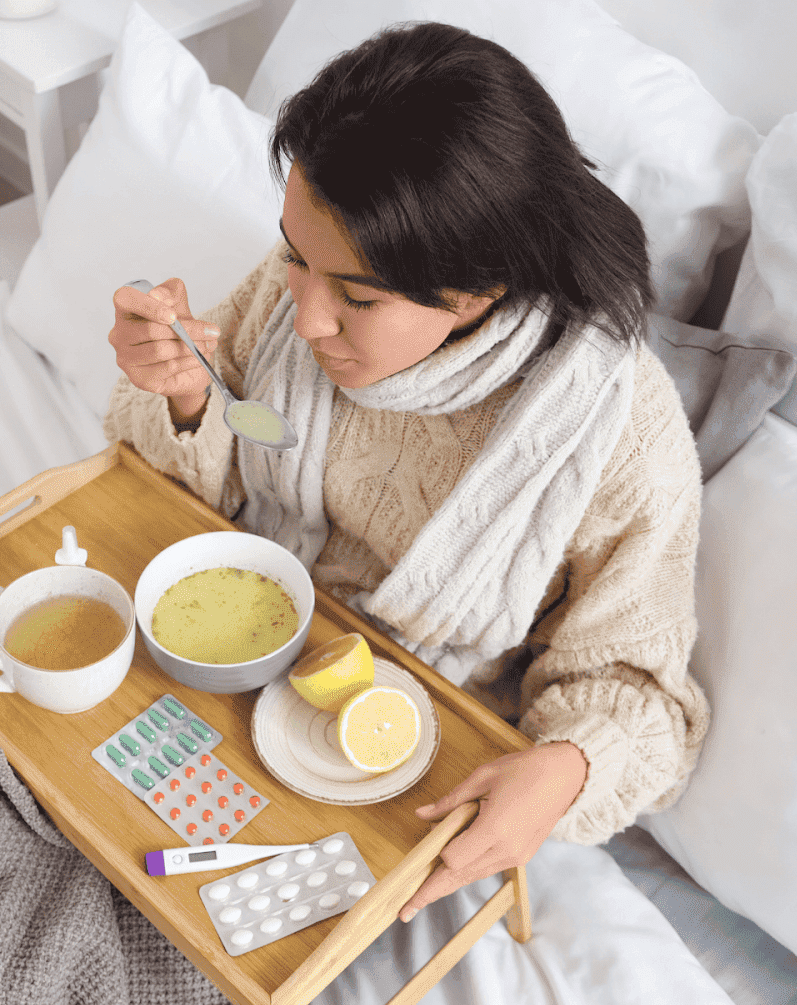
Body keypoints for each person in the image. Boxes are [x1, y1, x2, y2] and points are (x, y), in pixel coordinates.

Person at [103, 22, 708, 923]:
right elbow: (185, 475)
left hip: (383, 770)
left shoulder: (618, 439)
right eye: (295, 256)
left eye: (356, 297)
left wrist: (565, 767)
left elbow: (636, 688)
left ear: (480, 289)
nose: (306, 318)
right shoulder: (310, 276)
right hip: (221, 662)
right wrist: (187, 391)